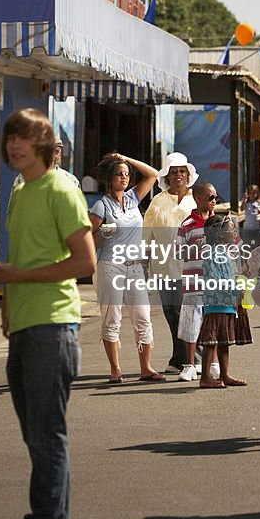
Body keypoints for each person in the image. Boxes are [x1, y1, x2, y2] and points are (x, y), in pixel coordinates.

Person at [0, 109, 96, 519]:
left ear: (44, 144)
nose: (14, 145)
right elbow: (24, 258)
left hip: (53, 326)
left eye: (24, 137)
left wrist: (19, 278)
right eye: (10, 137)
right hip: (26, 324)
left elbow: (85, 262)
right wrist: (8, 295)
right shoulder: (21, 191)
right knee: (40, 437)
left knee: (47, 436)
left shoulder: (61, 188)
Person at [89, 153, 165, 383]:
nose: (124, 177)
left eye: (126, 174)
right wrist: (103, 233)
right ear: (108, 178)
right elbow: (86, 240)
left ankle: (146, 368)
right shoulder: (101, 206)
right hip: (110, 266)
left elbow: (153, 174)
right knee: (113, 318)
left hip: (134, 267)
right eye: (118, 173)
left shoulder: (133, 198)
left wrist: (125, 158)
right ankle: (115, 369)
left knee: (143, 318)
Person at [143, 152, 198, 373]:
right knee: (171, 313)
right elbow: (146, 233)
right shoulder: (157, 201)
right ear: (166, 175)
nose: (178, 175)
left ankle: (192, 359)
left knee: (190, 312)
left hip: (192, 266)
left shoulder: (196, 199)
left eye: (182, 171)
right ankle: (180, 358)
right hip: (164, 267)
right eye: (173, 172)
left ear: (188, 174)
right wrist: (142, 261)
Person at [197, 215, 251, 389]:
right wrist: (236, 289)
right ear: (219, 234)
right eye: (230, 229)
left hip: (226, 303)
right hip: (216, 304)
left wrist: (243, 278)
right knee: (211, 341)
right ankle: (205, 376)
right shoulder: (213, 253)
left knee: (223, 341)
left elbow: (229, 276)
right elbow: (216, 280)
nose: (234, 231)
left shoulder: (224, 252)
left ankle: (224, 374)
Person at [174, 181, 219, 381]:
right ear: (198, 198)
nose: (214, 201)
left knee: (214, 324)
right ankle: (190, 365)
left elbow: (234, 246)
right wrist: (197, 246)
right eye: (210, 197)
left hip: (216, 283)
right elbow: (177, 251)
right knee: (191, 323)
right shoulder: (186, 225)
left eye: (216, 197)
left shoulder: (221, 223)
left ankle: (214, 363)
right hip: (193, 282)